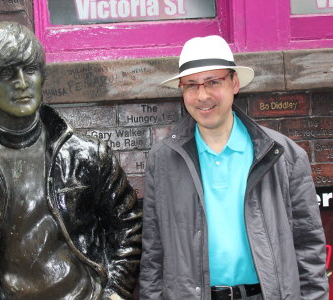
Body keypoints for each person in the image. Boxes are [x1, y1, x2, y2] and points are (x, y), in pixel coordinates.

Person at [0, 21, 142, 300]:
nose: (21, 83)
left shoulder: (87, 155)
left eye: (29, 70)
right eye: (7, 74)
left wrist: (115, 293)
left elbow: (128, 224)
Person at [139, 35, 329, 300]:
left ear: (234, 83)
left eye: (213, 82)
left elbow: (308, 248)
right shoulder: (163, 160)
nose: (202, 96)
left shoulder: (283, 156)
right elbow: (153, 252)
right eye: (191, 85)